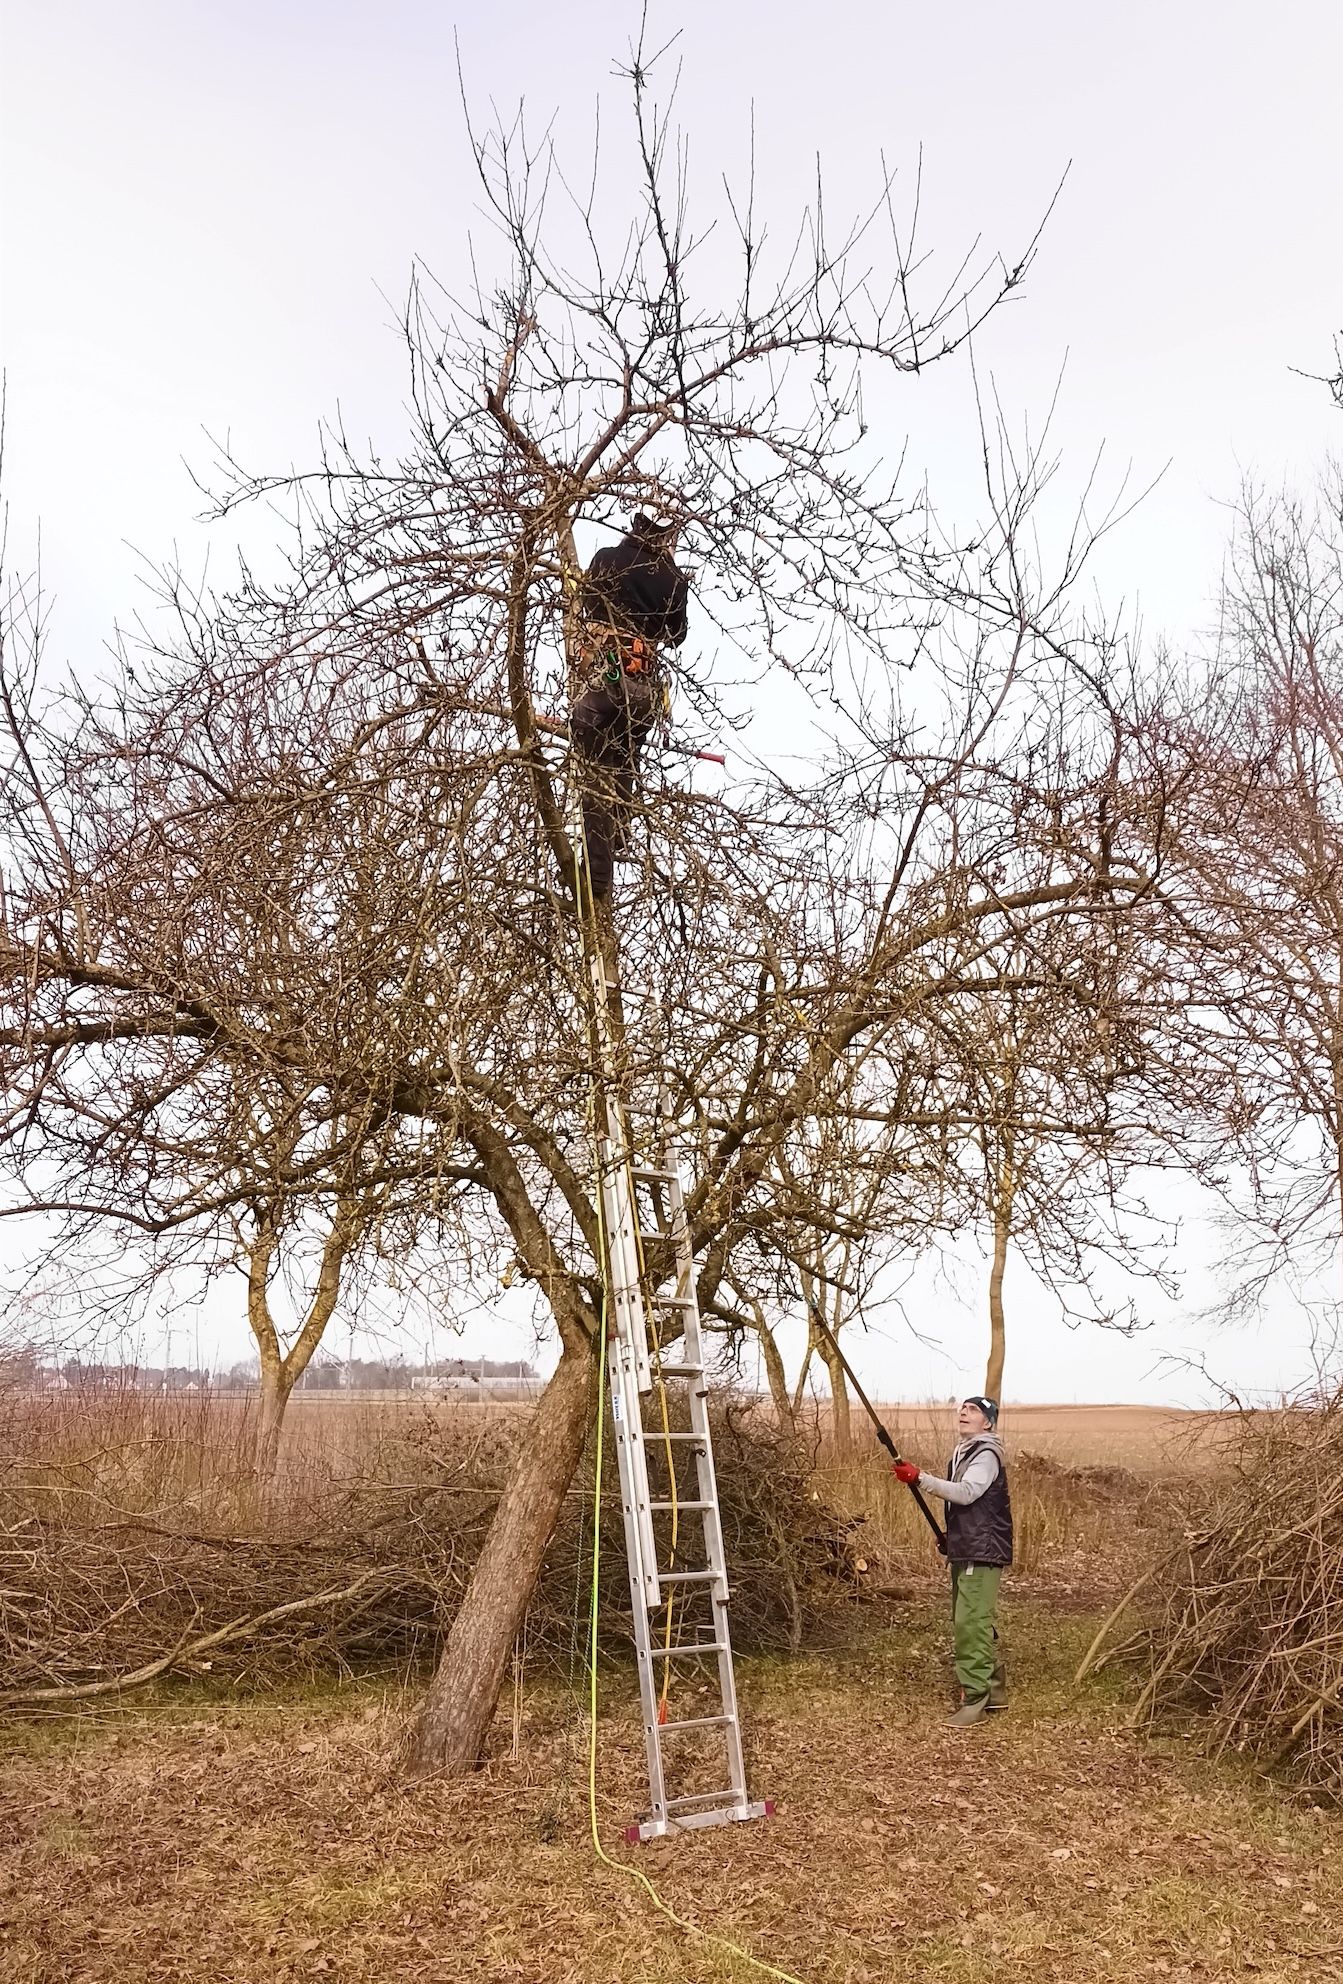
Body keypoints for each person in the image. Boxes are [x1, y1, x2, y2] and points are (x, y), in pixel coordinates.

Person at [569, 514, 690, 901]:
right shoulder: (674, 580)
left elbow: (586, 603)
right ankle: (618, 829)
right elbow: (677, 634)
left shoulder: (606, 558)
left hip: (606, 681)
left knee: (592, 767)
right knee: (624, 756)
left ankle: (597, 868)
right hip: (645, 690)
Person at [893, 1395, 1012, 1726]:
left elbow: (967, 1493)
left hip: (982, 1551)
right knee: (973, 1618)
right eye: (963, 1407)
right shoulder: (965, 1452)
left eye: (974, 1410)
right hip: (969, 1546)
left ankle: (975, 1700)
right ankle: (994, 1690)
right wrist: (953, 1535)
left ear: (987, 1423)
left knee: (970, 1622)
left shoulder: (987, 1453)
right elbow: (968, 1508)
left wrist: (920, 1479)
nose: (964, 1412)